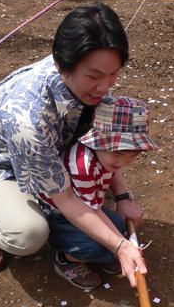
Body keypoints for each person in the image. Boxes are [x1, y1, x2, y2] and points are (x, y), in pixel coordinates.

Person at [0, 2, 147, 287]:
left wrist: (123, 197)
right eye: (94, 76)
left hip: (48, 154)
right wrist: (121, 246)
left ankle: (50, 212)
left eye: (113, 73)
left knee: (106, 225)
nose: (105, 87)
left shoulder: (89, 76)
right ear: (60, 61)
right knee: (28, 233)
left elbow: (105, 143)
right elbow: (66, 200)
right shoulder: (28, 116)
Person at [36, 96, 158, 290]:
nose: (121, 163)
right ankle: (66, 258)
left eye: (132, 155)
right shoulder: (82, 166)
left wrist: (119, 242)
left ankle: (101, 254)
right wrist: (120, 247)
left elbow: (95, 206)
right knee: (98, 246)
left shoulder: (104, 155)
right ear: (97, 143)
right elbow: (89, 211)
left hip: (89, 204)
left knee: (118, 227)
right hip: (61, 214)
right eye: (117, 154)